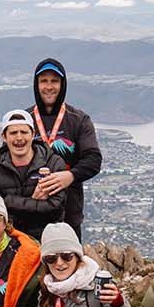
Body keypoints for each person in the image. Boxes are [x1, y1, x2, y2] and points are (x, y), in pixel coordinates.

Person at [27, 58, 103, 235]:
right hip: (31, 211)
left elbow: (93, 159)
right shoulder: (25, 120)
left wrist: (70, 176)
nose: (49, 86)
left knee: (67, 261)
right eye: (44, 81)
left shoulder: (78, 120)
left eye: (54, 81)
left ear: (63, 84)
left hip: (69, 210)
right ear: (36, 85)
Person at [0, 110, 66, 240]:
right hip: (11, 240)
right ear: (4, 137)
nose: (19, 138)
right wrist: (34, 201)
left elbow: (55, 208)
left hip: (47, 238)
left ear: (33, 134)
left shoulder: (54, 164)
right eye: (13, 133)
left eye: (24, 132)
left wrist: (9, 200)